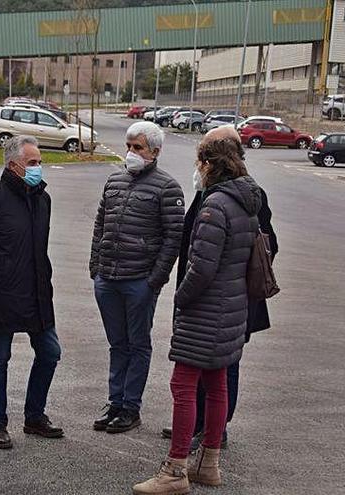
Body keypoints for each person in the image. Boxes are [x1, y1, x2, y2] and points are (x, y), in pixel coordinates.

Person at [133, 136, 262, 495]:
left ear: (208, 164)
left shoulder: (215, 206)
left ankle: (175, 469)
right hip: (233, 307)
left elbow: (202, 268)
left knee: (183, 385)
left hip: (206, 310)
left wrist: (181, 298)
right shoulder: (247, 201)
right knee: (216, 384)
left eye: (199, 162)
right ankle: (209, 463)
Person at [160, 125, 278, 450]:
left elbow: (265, 247)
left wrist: (186, 294)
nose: (199, 162)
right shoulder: (210, 193)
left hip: (221, 300)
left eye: (205, 153)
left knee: (221, 372)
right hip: (214, 299)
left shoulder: (235, 198)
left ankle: (213, 431)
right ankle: (196, 426)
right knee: (207, 373)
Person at [0, 135, 63, 450]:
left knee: (50, 352)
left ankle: (34, 416)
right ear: (13, 166)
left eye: (39, 162)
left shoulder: (41, 199)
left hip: (36, 292)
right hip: (2, 293)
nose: (38, 168)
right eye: (32, 163)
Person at [90, 121, 184, 434]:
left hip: (139, 281)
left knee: (138, 344)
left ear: (155, 152)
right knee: (118, 344)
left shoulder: (167, 187)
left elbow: (174, 238)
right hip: (108, 279)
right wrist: (96, 267)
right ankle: (115, 402)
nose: (131, 152)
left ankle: (131, 407)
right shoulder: (114, 179)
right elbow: (100, 224)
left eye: (138, 147)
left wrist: (154, 280)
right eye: (129, 146)